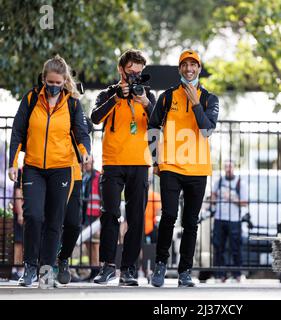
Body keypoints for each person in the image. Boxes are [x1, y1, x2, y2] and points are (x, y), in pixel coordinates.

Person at [8, 55, 91, 287]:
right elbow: (17, 132)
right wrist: (13, 163)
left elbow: (82, 132)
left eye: (58, 82)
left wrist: (85, 152)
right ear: (44, 79)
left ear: (65, 81)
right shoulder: (31, 99)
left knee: (55, 221)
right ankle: (30, 266)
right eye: (50, 82)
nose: (54, 86)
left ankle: (46, 269)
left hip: (61, 169)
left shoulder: (73, 103)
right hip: (34, 167)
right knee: (33, 215)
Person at [148, 49, 219, 287]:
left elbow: (207, 130)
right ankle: (159, 265)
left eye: (193, 65)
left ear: (199, 68)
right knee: (168, 215)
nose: (189, 69)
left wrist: (196, 103)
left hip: (198, 170)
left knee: (191, 221)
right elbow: (153, 128)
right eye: (185, 65)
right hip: (171, 166)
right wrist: (156, 160)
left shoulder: (210, 99)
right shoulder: (167, 97)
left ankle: (185, 271)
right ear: (180, 69)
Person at [91, 49, 156, 286]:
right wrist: (116, 98)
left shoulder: (148, 94)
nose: (134, 77)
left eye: (139, 73)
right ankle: (107, 266)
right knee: (109, 214)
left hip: (140, 162)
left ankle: (128, 269)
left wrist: (146, 103)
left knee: (136, 217)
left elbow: (159, 122)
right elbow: (95, 118)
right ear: (121, 69)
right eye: (131, 72)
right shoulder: (107, 93)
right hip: (112, 162)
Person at [55, 118, 93, 285]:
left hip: (73, 174)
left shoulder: (74, 107)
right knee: (51, 222)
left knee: (73, 225)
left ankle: (63, 258)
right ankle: (42, 266)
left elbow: (89, 126)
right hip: (51, 170)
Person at [211, 160, 247, 282]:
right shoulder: (219, 181)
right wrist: (214, 199)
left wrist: (230, 198)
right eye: (226, 167)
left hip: (234, 220)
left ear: (234, 168)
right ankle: (220, 274)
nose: (228, 169)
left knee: (235, 247)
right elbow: (213, 195)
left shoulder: (239, 183)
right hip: (219, 218)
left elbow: (244, 203)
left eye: (230, 167)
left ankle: (237, 274)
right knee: (218, 247)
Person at [82, 158, 101, 280]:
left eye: (88, 162)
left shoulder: (98, 176)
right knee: (87, 243)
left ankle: (96, 270)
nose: (86, 164)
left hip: (95, 215)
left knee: (94, 244)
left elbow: (102, 196)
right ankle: (92, 269)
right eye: (84, 162)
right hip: (85, 215)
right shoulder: (84, 177)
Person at [10, 168, 24, 281]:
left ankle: (20, 269)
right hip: (23, 212)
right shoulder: (21, 172)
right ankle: (16, 269)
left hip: (29, 211)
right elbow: (18, 193)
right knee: (19, 242)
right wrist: (20, 213)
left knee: (24, 241)